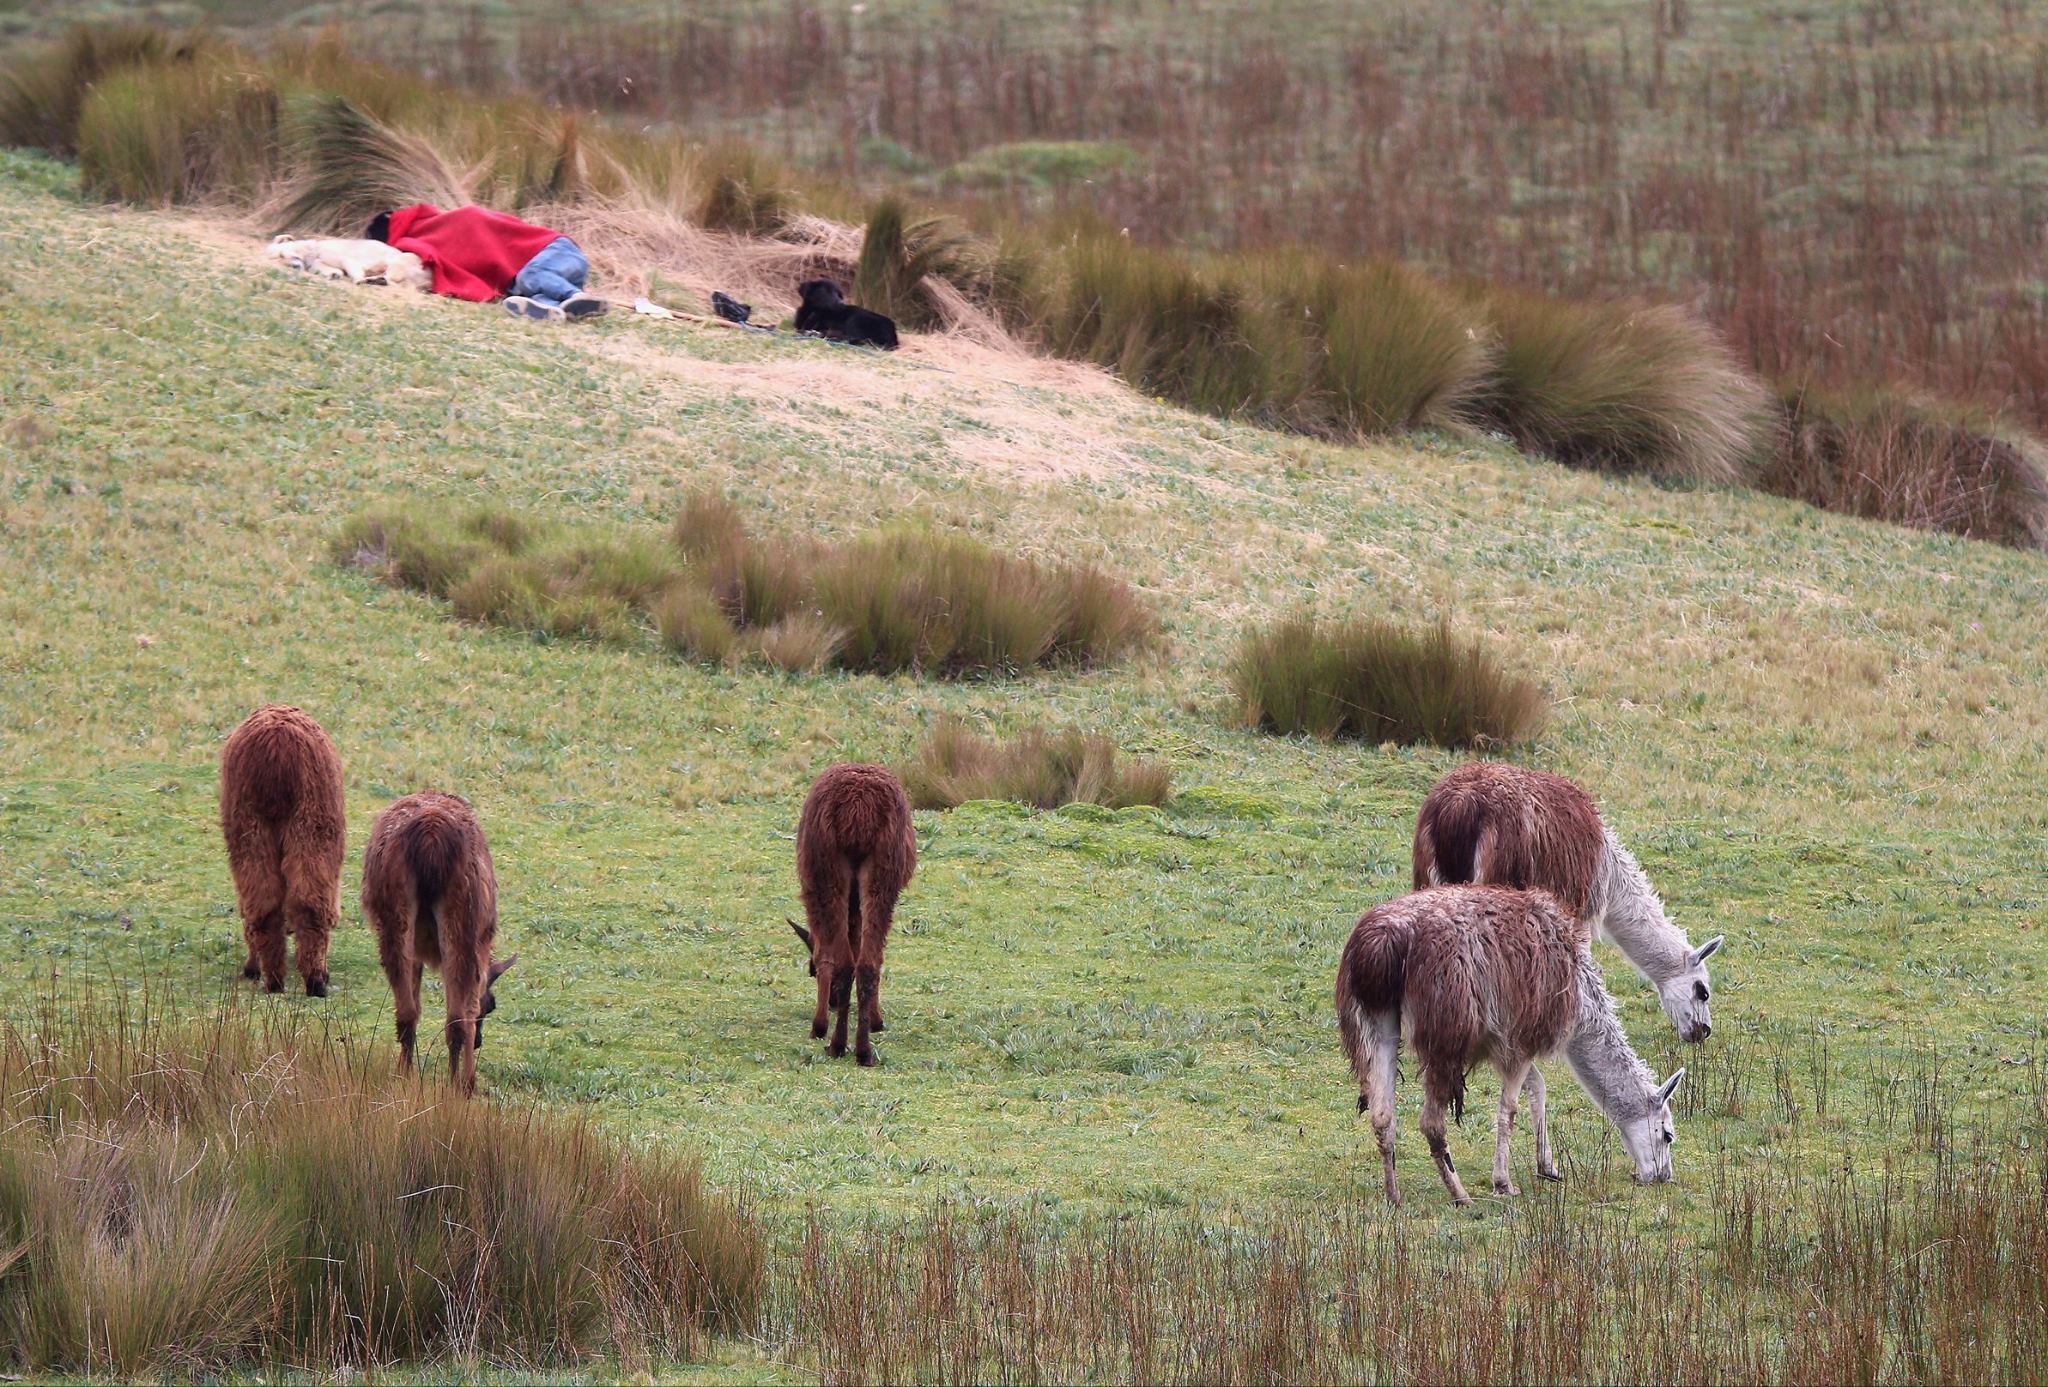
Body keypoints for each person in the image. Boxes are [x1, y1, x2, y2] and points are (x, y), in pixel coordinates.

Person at [366, 206, 606, 321]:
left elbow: (427, 255)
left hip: (555, 252)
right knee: (526, 289)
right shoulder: (437, 227)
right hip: (544, 272)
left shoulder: (445, 226)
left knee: (530, 277)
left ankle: (573, 295)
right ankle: (553, 309)